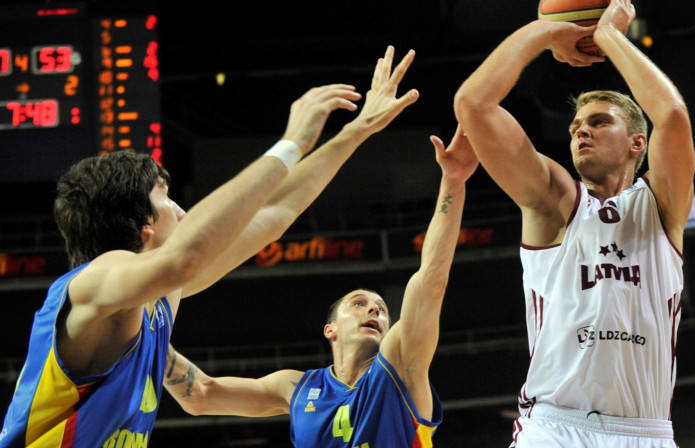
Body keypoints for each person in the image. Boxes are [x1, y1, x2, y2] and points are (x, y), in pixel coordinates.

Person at [0, 45, 419, 448]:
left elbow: (274, 212)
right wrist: (290, 144)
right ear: (141, 223)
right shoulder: (94, 283)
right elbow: (185, 256)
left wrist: (357, 130)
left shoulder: (156, 299)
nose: (182, 212)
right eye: (166, 198)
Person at [454, 0, 695, 446]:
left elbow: (673, 116)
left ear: (637, 143)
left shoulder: (661, 206)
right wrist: (544, 33)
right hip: (555, 427)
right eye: (575, 126)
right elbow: (473, 103)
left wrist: (610, 37)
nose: (580, 131)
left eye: (599, 122)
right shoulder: (556, 201)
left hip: (646, 432)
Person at [163, 125, 478, 447]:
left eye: (381, 309)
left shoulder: (401, 366)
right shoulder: (296, 387)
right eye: (359, 303)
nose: (374, 309)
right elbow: (200, 395)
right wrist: (151, 334)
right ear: (330, 330)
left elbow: (430, 281)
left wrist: (453, 182)